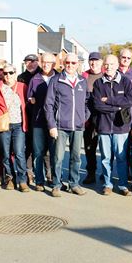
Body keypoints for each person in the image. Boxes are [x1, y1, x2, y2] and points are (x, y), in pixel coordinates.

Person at [45, 54, 90, 197]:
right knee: (58, 157)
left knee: (76, 157)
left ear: (78, 64)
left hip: (77, 126)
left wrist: (84, 118)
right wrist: (51, 125)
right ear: (63, 63)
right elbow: (49, 104)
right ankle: (57, 184)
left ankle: (74, 184)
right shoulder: (56, 80)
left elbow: (87, 102)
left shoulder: (83, 81)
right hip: (60, 126)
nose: (70, 65)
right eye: (68, 62)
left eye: (73, 62)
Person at [92, 54, 132, 196]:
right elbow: (97, 105)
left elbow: (128, 102)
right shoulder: (98, 83)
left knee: (122, 158)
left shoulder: (126, 82)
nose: (109, 67)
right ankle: (107, 184)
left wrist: (108, 100)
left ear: (117, 66)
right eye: (107, 64)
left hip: (121, 127)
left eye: (112, 64)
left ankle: (123, 185)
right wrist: (116, 106)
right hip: (104, 126)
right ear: (103, 66)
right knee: (105, 158)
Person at [0, 64, 29, 192]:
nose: (8, 75)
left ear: (15, 73)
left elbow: (27, 104)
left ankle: (23, 180)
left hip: (18, 125)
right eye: (5, 73)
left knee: (19, 153)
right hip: (4, 125)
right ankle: (10, 179)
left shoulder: (22, 86)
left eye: (11, 73)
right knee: (5, 153)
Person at [27, 53, 57, 191]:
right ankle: (39, 180)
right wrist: (31, 100)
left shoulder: (59, 78)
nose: (45, 65)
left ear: (54, 64)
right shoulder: (35, 79)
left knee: (53, 152)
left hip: (55, 122)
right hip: (38, 121)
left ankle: (52, 178)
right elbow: (29, 98)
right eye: (43, 62)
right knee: (38, 152)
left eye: (48, 62)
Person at [17, 53, 41, 182]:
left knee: (43, 147)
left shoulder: (42, 74)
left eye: (33, 61)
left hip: (40, 115)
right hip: (25, 115)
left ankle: (46, 173)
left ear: (38, 62)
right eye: (27, 62)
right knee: (28, 146)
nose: (30, 64)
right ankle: (29, 172)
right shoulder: (21, 77)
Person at [82, 52, 104, 184]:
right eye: (91, 61)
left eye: (96, 61)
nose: (93, 63)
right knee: (89, 147)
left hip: (103, 117)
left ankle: (105, 172)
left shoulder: (106, 76)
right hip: (87, 119)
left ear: (101, 62)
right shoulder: (84, 76)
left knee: (105, 147)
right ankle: (91, 172)